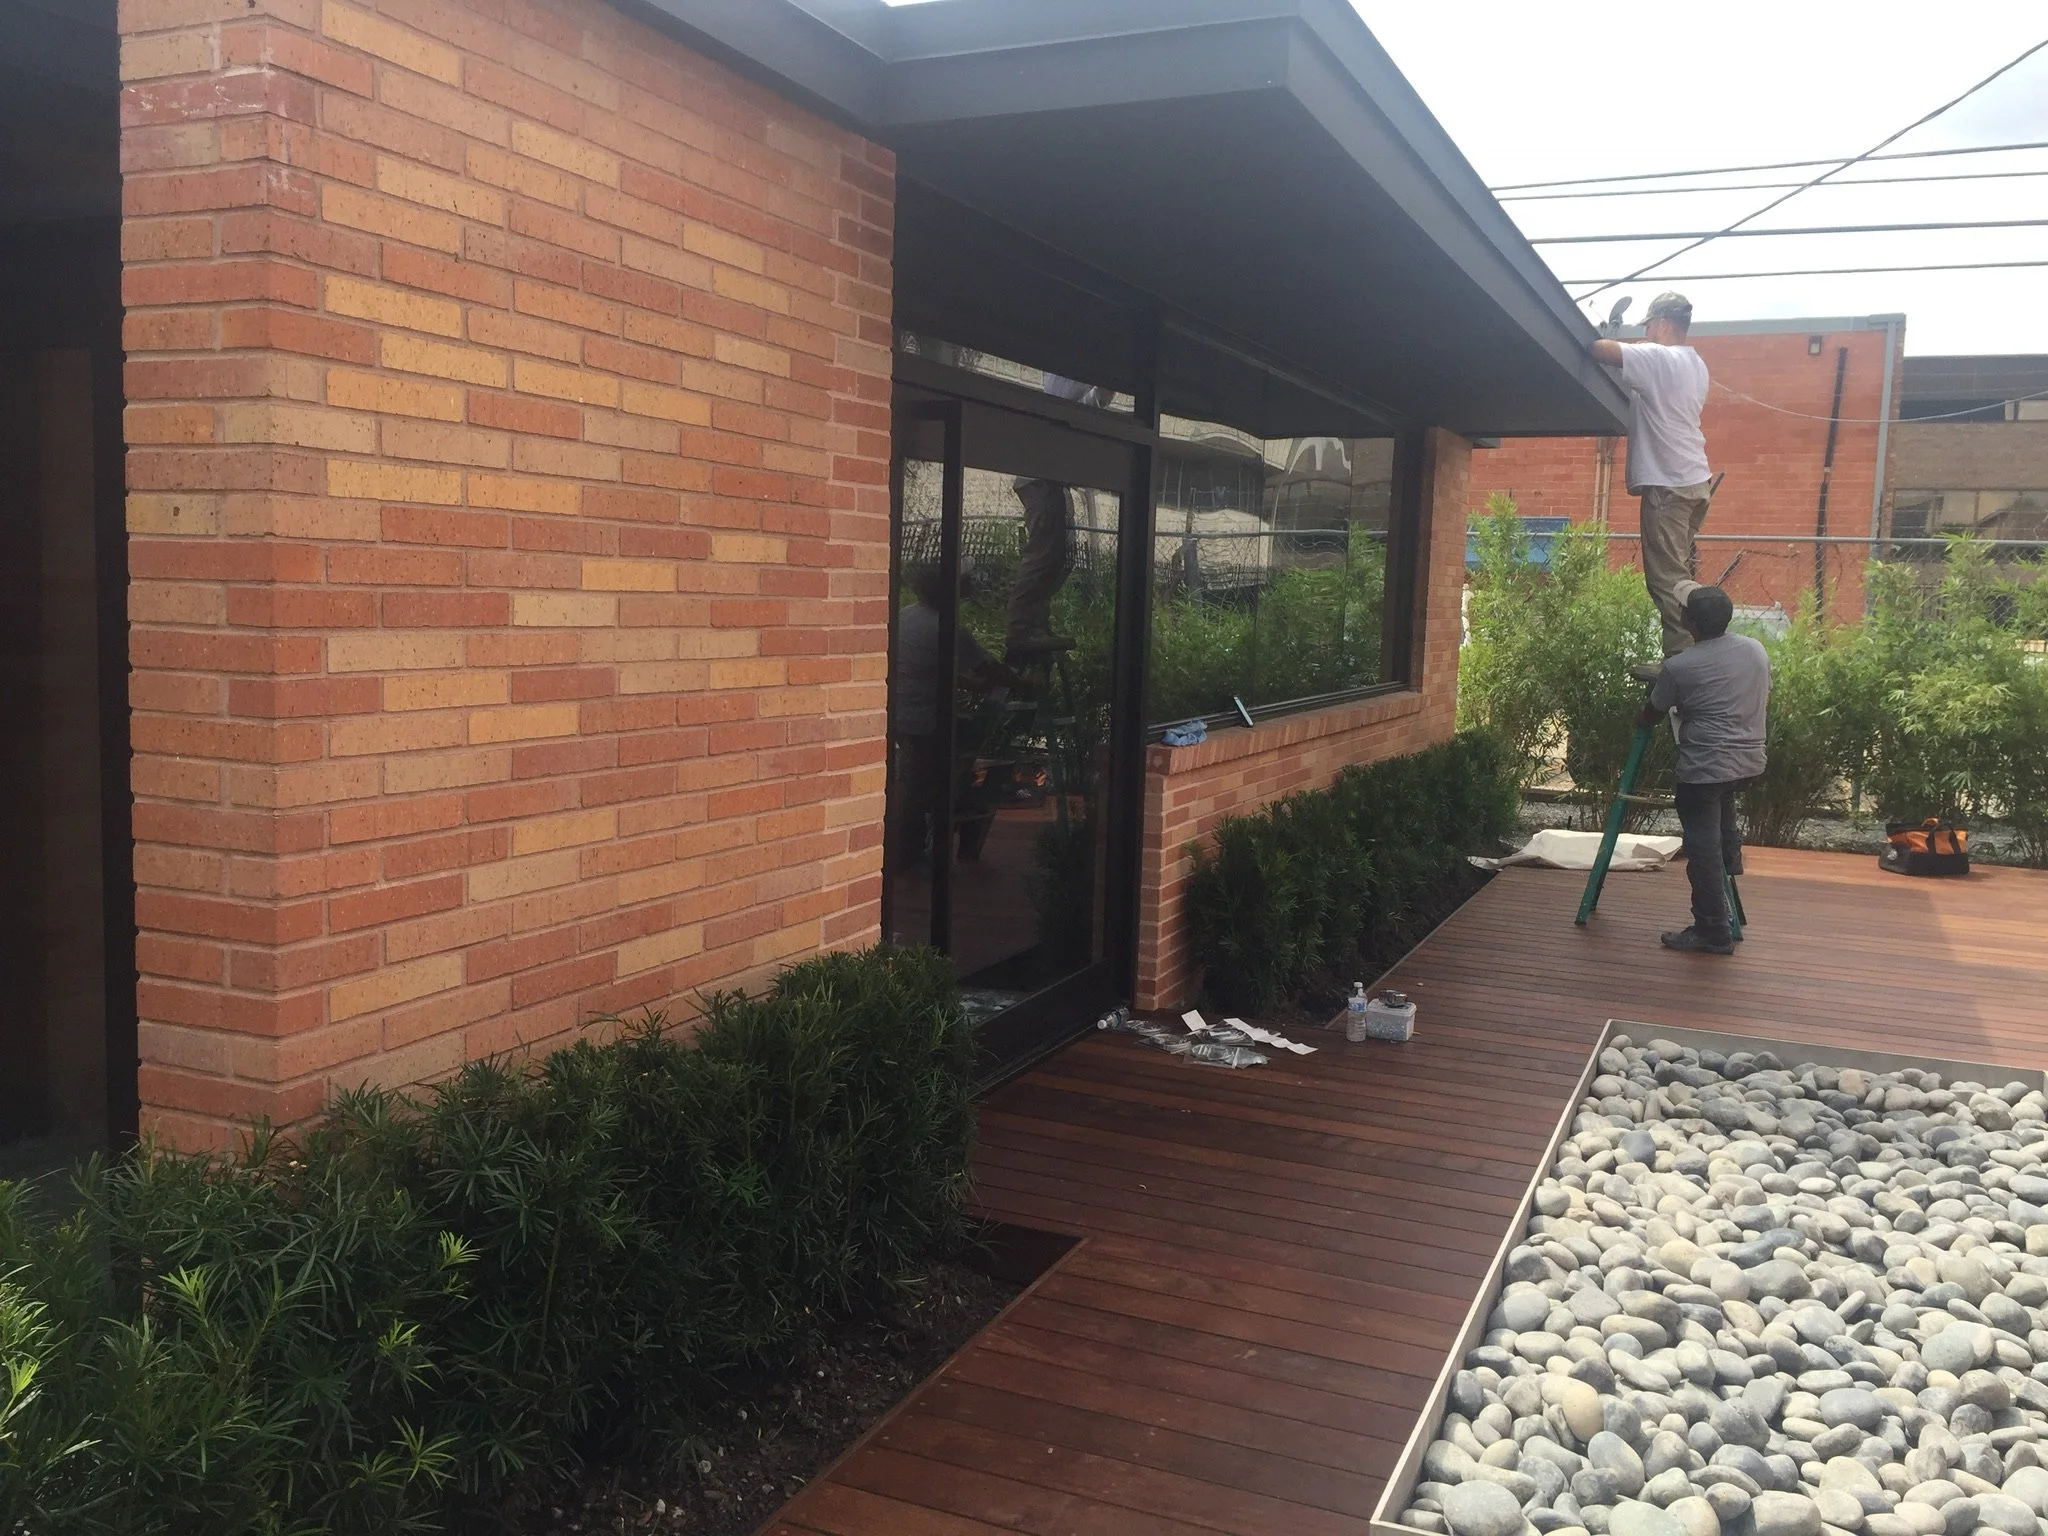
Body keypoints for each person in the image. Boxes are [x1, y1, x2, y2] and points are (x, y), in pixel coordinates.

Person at [1639, 586, 1769, 955]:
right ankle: (1731, 860)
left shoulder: (1680, 666)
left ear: (1688, 621)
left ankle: (1712, 930)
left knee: (1702, 850)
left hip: (1705, 768)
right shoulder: (1754, 650)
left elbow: (1652, 713)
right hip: (1749, 762)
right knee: (1720, 813)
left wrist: (1640, 719)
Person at [1589, 291, 1713, 664]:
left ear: (1661, 323)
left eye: (1649, 326)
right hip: (1695, 482)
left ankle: (1682, 662)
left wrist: (1608, 334)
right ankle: (1697, 649)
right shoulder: (1696, 365)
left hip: (1669, 486)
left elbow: (1598, 350)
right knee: (1681, 576)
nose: (1647, 334)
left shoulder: (1659, 358)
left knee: (1666, 582)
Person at [888, 567, 1032, 864]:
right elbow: (991, 670)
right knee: (925, 786)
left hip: (899, 714)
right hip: (926, 721)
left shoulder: (906, 617)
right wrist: (1027, 682)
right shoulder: (948, 629)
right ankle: (912, 852)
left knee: (914, 782)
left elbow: (926, 668)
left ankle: (908, 848)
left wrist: (973, 684)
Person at [1005, 477, 1075, 660]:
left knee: (1053, 557)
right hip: (1041, 482)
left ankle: (1035, 626)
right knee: (1044, 554)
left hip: (1047, 482)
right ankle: (1021, 631)